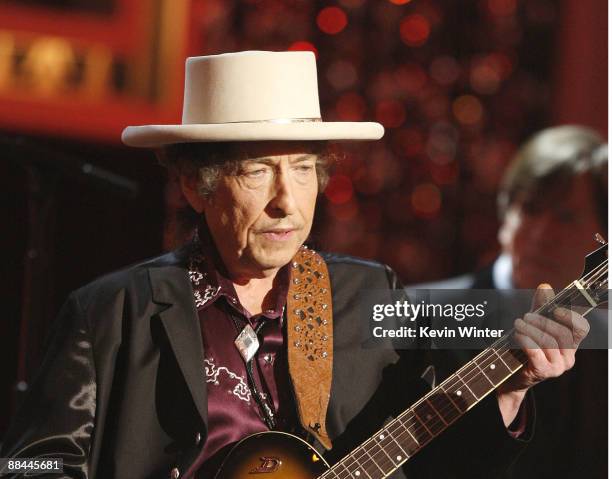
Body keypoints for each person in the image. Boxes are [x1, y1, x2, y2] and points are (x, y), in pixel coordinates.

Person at [0, 52, 591, 479]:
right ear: (195, 185)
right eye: (258, 171)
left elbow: (443, 463)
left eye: (304, 169)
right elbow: (33, 462)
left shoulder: (370, 293)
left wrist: (511, 393)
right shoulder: (111, 311)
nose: (287, 200)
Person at [417, 125, 608, 478]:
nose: (540, 235)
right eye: (530, 209)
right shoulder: (419, 315)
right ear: (505, 213)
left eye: (565, 217)